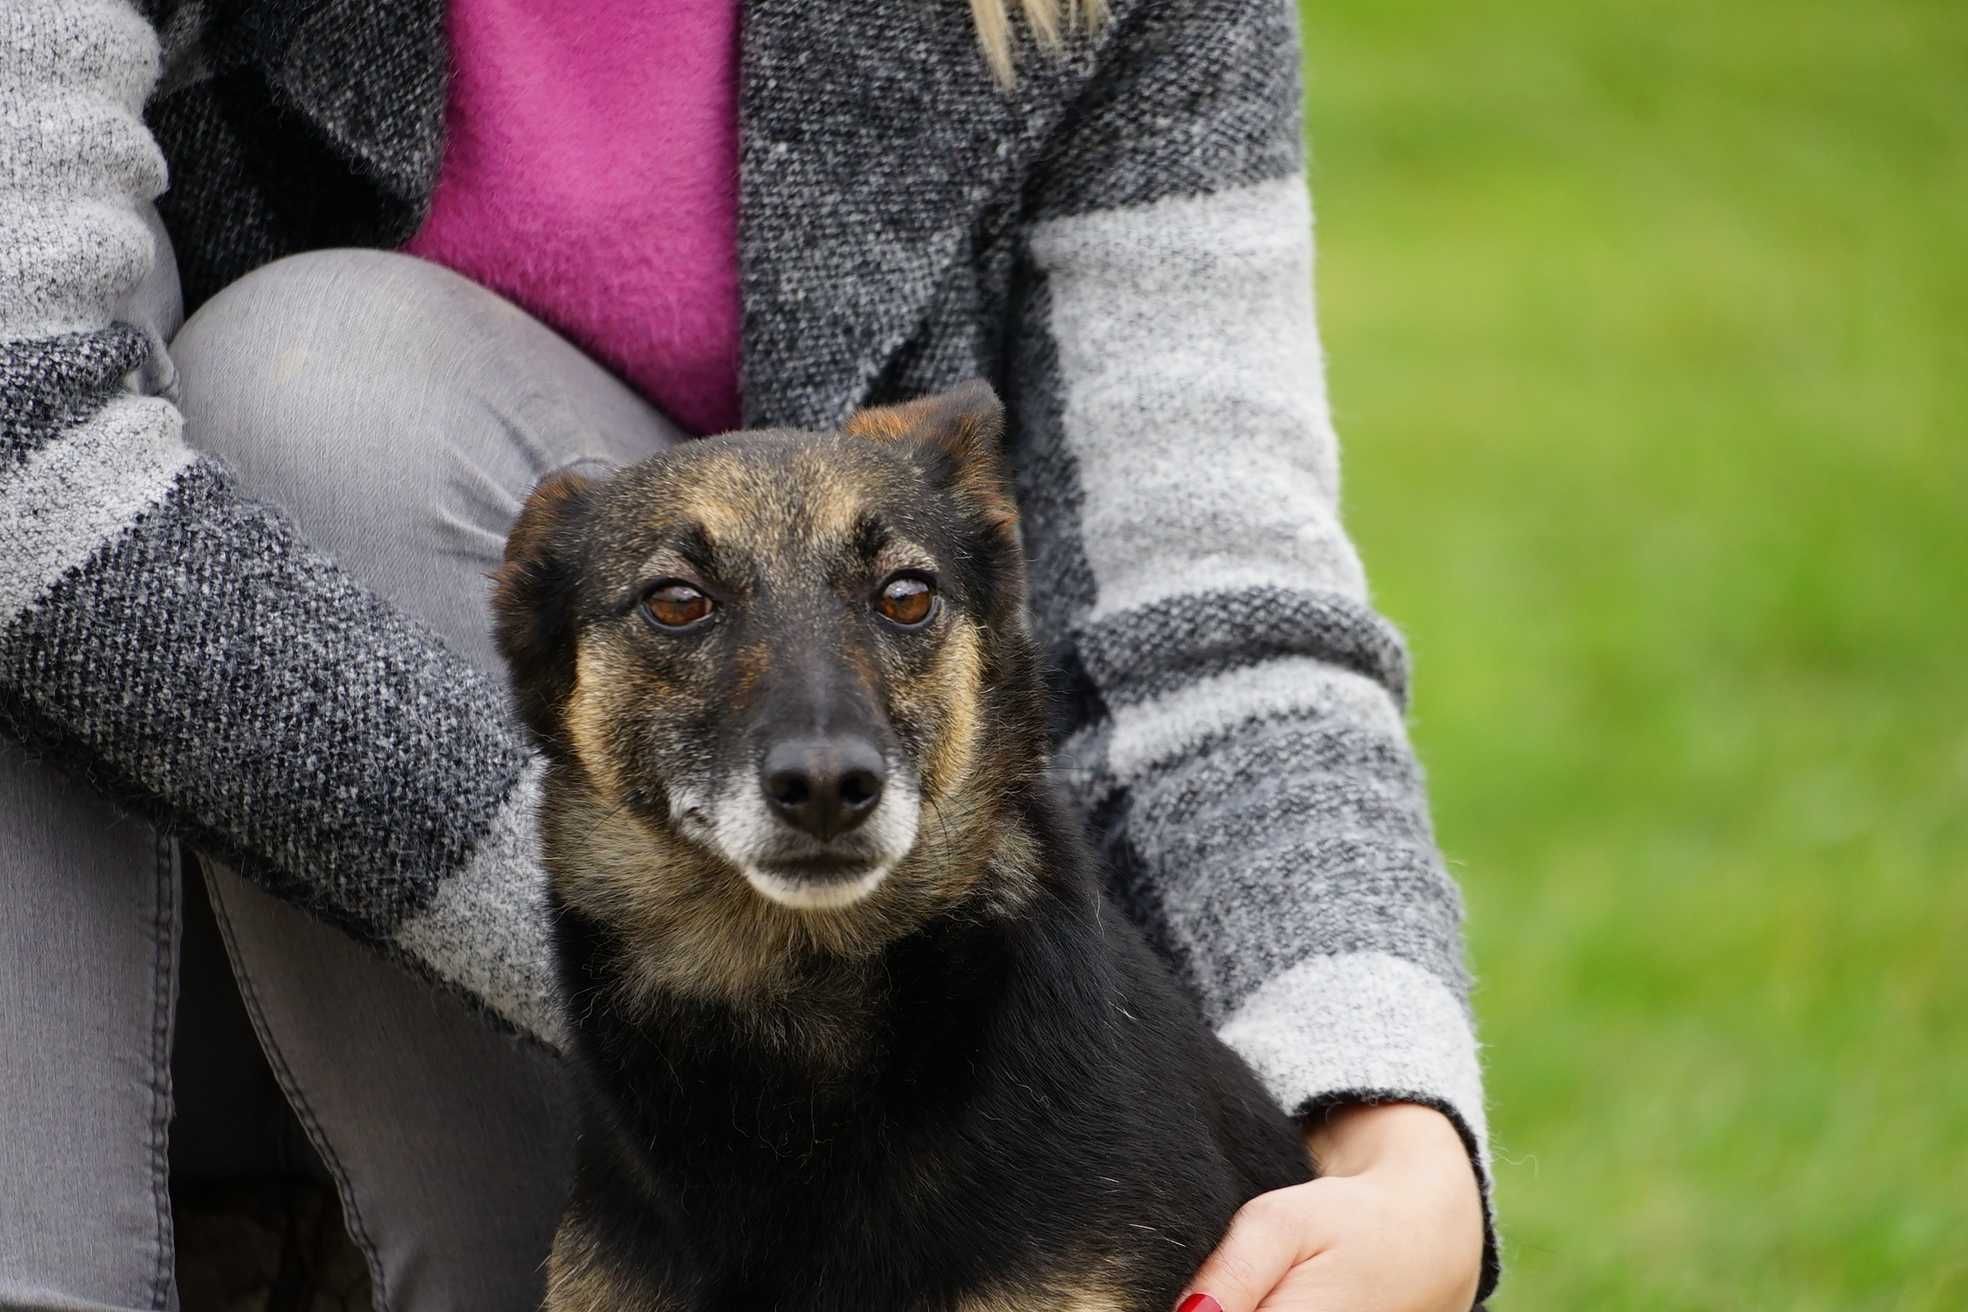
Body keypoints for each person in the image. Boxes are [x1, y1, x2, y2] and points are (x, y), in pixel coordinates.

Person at [0, 0, 1494, 1307]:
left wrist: (1390, 1121)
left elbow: (1204, 632)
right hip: (187, 907)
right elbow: (21, 450)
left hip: (910, 1021)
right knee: (316, 391)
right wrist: (656, 957)